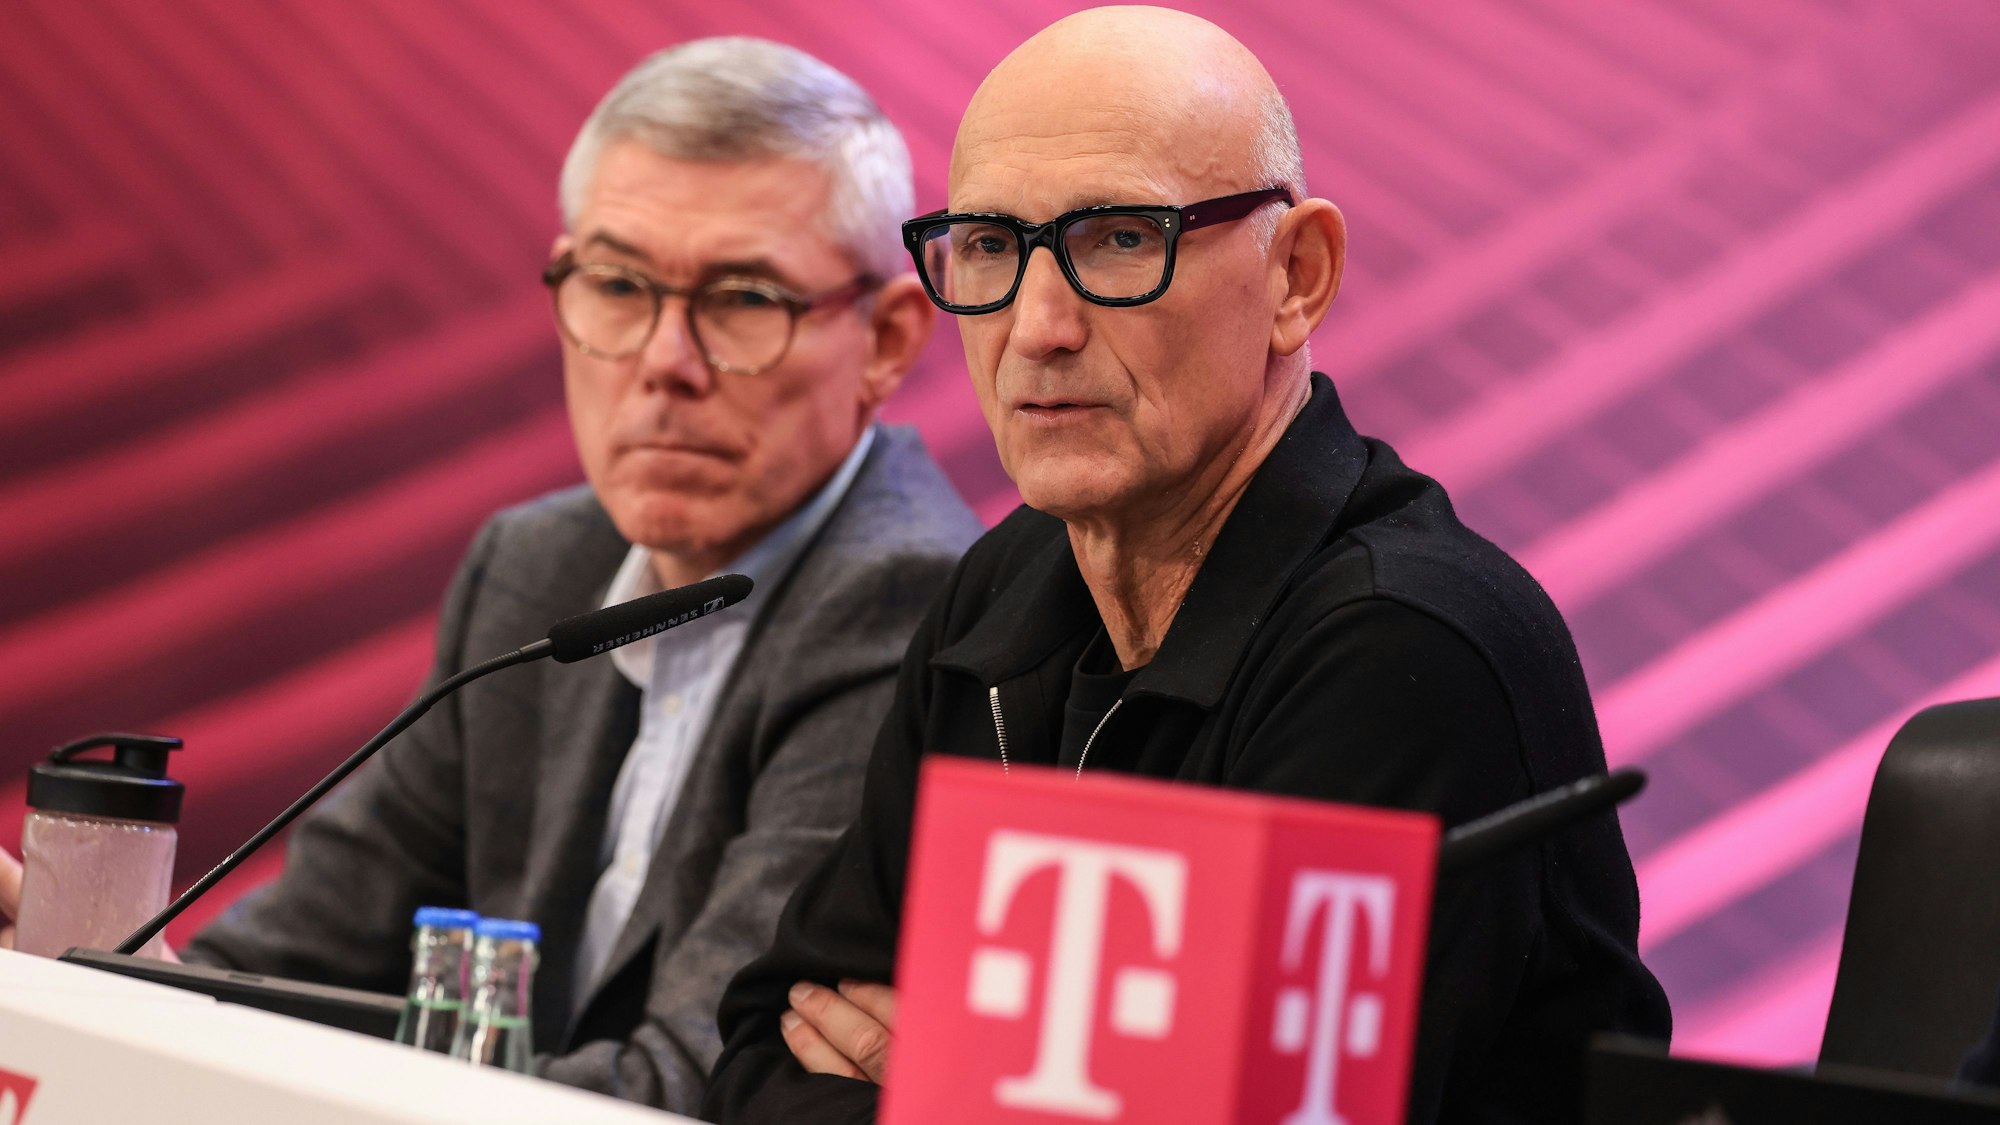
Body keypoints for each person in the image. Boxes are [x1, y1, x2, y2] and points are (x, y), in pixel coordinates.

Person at [702, 9, 1671, 1124]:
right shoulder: (1006, 584)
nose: (1036, 326)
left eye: (1116, 238)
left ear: (1296, 274)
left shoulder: (1400, 646)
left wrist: (939, 1087)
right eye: (988, 247)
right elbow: (762, 1049)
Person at [0, 37, 980, 1114]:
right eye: (616, 284)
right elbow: (304, 953)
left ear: (886, 340)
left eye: (743, 299)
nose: (664, 361)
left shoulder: (908, 607)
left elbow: (685, 1092)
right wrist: (84, 999)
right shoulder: (537, 566)